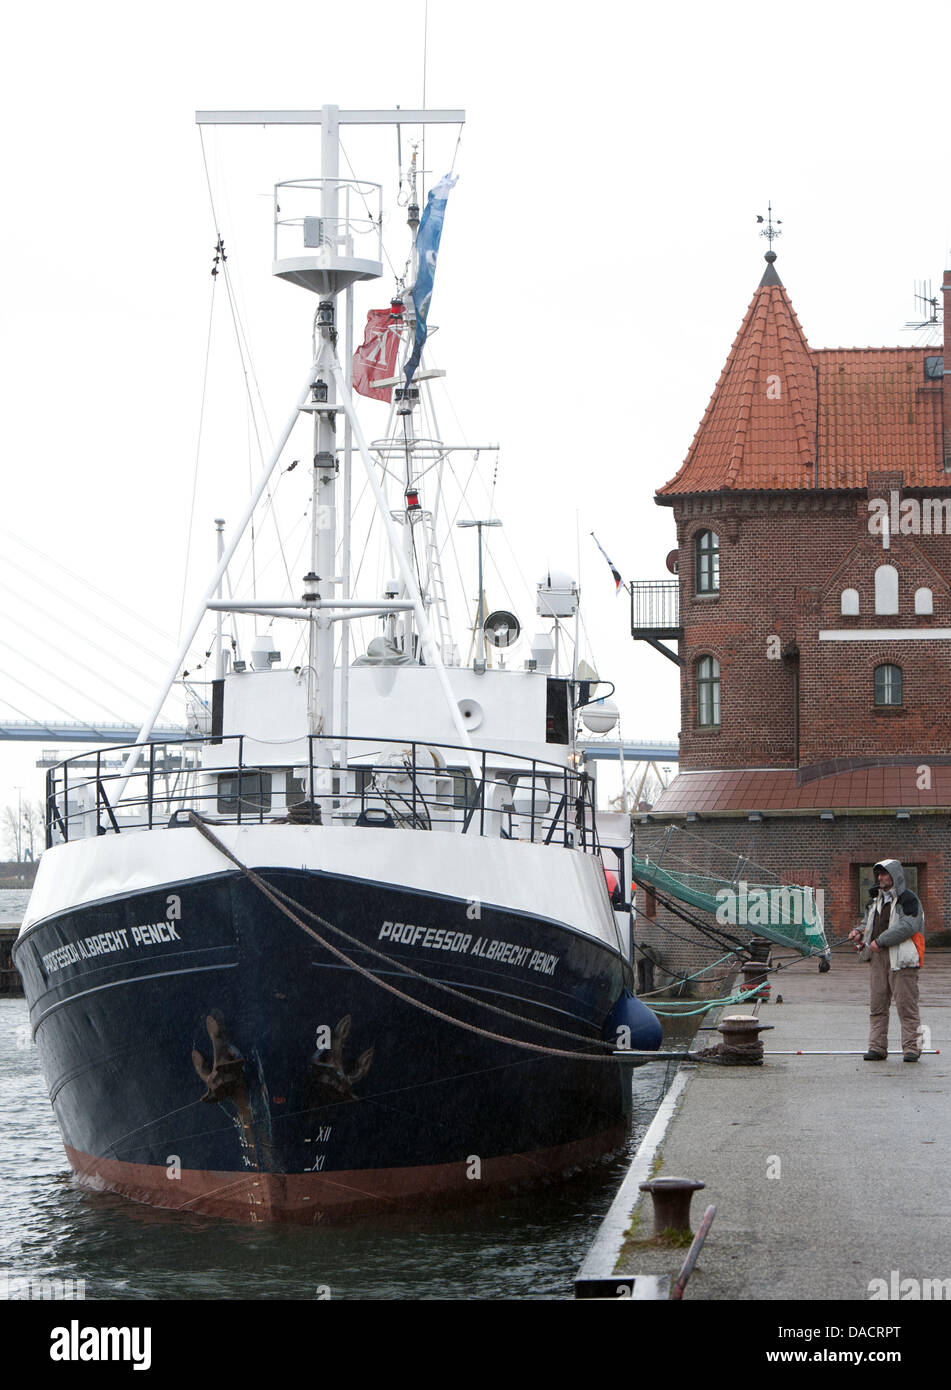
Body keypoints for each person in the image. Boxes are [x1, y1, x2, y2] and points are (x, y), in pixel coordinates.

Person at [848, 859, 923, 1062]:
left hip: (903, 959)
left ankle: (912, 1049)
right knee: (877, 1005)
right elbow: (867, 922)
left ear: (895, 875)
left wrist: (880, 941)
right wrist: (859, 932)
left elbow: (908, 926)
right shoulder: (875, 900)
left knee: (906, 1006)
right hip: (878, 958)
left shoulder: (909, 899)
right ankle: (877, 1047)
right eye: (878, 875)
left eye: (884, 874)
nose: (880, 878)